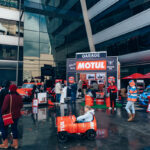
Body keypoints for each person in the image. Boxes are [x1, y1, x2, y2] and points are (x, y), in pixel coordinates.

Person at [0, 84, 23, 149]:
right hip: (16, 116)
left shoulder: (8, 96)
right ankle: (15, 144)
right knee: (14, 129)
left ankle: (5, 144)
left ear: (10, 89)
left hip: (8, 115)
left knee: (4, 129)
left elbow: (4, 107)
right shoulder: (19, 96)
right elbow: (21, 106)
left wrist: (2, 113)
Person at [0, 80, 10, 146]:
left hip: (2, 110)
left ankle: (5, 143)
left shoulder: (2, 91)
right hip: (8, 111)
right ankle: (7, 142)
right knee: (6, 127)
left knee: (3, 127)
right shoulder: (9, 92)